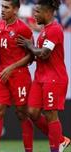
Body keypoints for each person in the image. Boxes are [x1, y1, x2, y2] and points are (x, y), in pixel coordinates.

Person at [17, 0, 70, 151]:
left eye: (37, 12)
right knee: (32, 112)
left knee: (50, 114)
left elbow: (44, 54)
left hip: (54, 78)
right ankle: (60, 139)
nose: (34, 15)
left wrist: (29, 45)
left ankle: (55, 147)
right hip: (40, 77)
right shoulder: (45, 30)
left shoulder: (55, 29)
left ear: (47, 13)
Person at [0, 0, 34, 152]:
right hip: (2, 74)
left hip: (19, 75)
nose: (2, 10)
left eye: (6, 7)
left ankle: (29, 149)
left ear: (15, 10)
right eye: (2, 7)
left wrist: (12, 67)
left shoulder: (24, 29)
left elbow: (31, 56)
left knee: (22, 113)